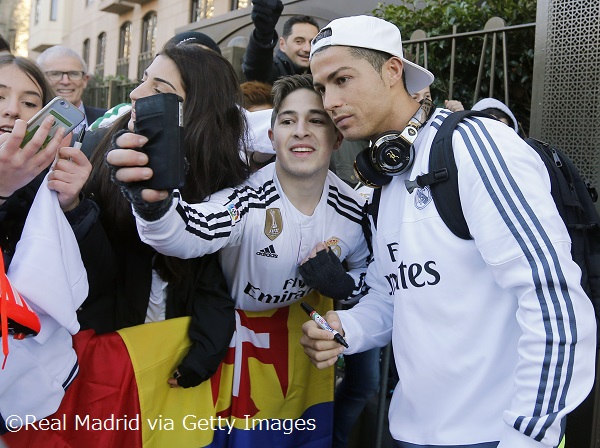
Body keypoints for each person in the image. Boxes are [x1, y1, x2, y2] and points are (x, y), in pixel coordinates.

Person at [301, 15, 596, 448]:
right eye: (322, 87)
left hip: (497, 435)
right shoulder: (386, 178)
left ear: (392, 70)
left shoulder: (474, 147)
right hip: (409, 431)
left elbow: (554, 301)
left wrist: (529, 435)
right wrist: (345, 327)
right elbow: (393, 294)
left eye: (342, 79)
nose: (330, 101)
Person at [56, 42, 250, 388]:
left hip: (170, 349)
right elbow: (89, 269)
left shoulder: (219, 176)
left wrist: (206, 350)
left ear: (198, 107)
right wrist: (75, 206)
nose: (136, 93)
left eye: (159, 90)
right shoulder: (99, 151)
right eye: (144, 79)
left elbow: (209, 275)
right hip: (101, 350)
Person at [242, 0, 319, 84]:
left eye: (312, 42)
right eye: (299, 41)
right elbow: (256, 71)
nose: (307, 49)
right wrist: (263, 34)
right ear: (282, 44)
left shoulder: (319, 74)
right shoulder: (275, 71)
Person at [36, 46, 106, 136]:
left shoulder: (109, 121)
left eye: (74, 74)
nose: (66, 82)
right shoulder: (28, 122)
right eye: (55, 74)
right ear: (40, 80)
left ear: (85, 80)